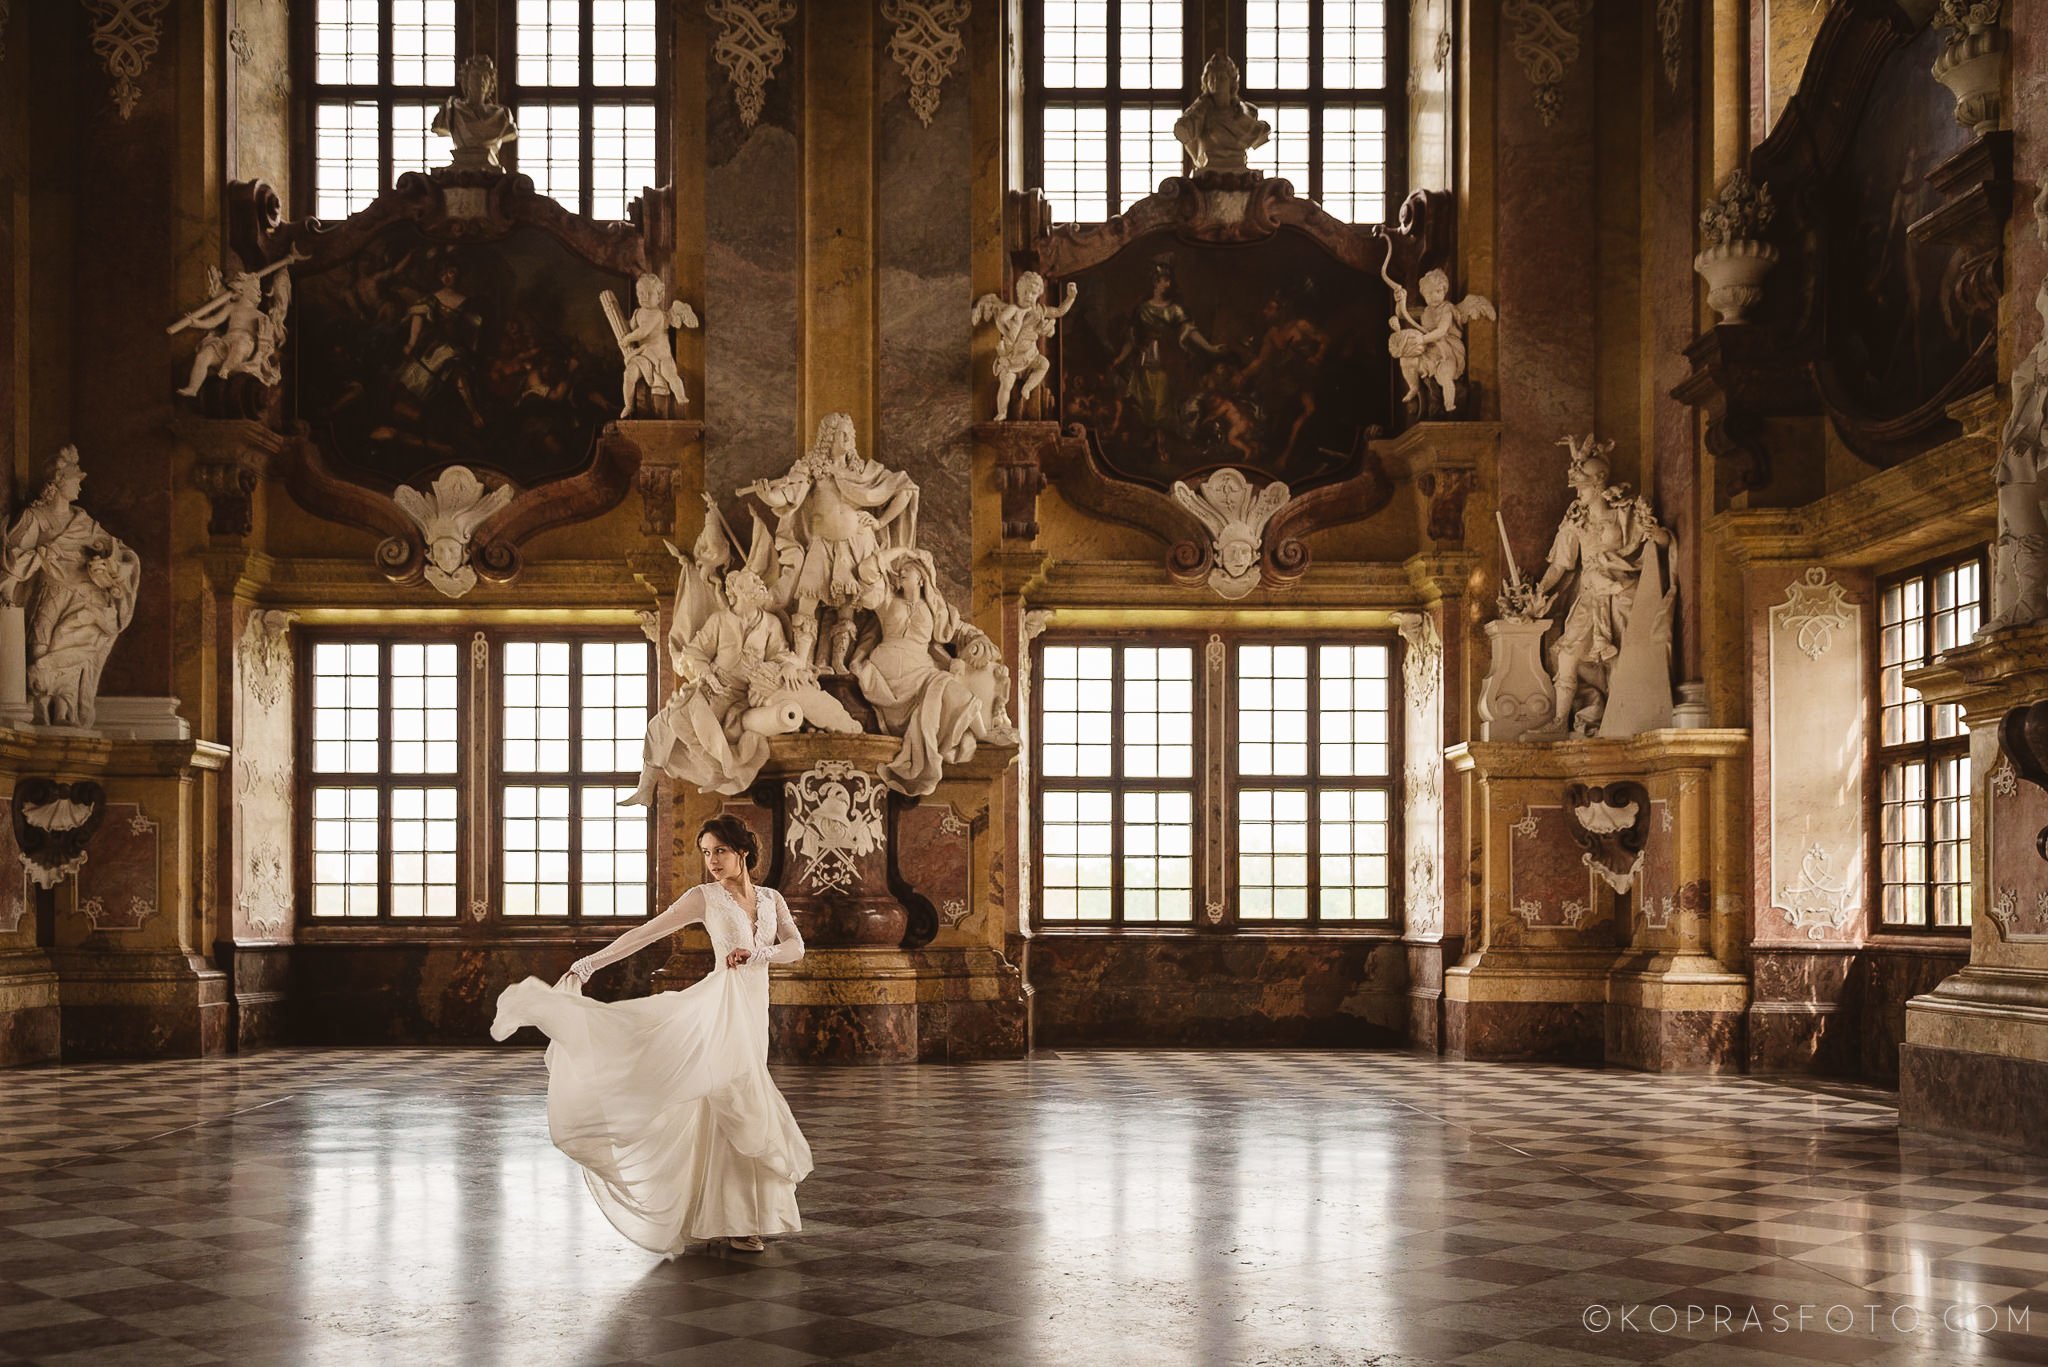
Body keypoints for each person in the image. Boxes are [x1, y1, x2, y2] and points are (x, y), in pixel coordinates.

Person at [491, 816, 812, 1257]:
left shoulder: (772, 899)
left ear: (742, 851)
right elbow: (646, 933)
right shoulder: (704, 897)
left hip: (754, 1009)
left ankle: (738, 1214)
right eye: (705, 853)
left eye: (719, 851)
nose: (711, 861)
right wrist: (590, 963)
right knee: (728, 1095)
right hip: (718, 1006)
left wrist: (759, 953)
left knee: (739, 1095)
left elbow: (796, 947)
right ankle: (733, 1219)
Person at [1529, 437, 1670, 734]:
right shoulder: (1575, 519)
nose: (1577, 493)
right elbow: (1560, 565)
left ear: (1598, 485)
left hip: (1621, 593)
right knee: (1567, 654)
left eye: (1581, 487)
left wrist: (1657, 534)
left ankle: (1620, 722)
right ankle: (1559, 722)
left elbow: (1657, 545)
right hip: (1590, 595)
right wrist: (1538, 593)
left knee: (1621, 658)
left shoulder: (1626, 512)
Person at [0, 445, 140, 729]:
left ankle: (64, 710)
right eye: (75, 479)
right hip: (51, 591)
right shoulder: (36, 517)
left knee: (73, 650)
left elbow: (120, 553)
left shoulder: (84, 522)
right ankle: (41, 708)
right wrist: (18, 576)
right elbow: (14, 556)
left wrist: (107, 563)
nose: (79, 485)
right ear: (59, 482)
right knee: (41, 644)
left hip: (86, 596)